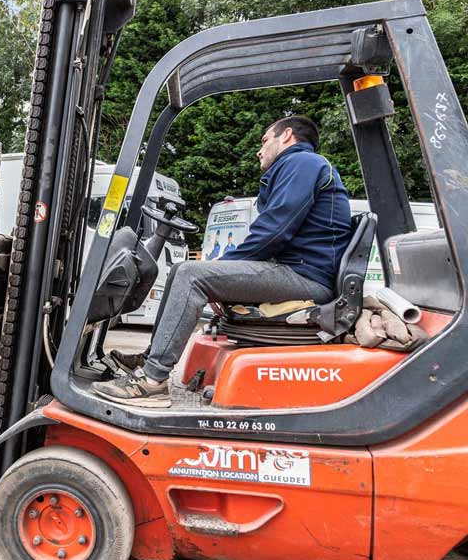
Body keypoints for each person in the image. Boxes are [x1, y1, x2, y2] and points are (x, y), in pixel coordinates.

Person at [93, 115, 352, 407]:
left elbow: (275, 230)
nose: (259, 150)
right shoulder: (299, 167)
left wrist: (224, 271)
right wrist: (224, 274)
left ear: (287, 136)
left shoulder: (303, 163)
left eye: (265, 140)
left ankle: (152, 382)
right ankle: (153, 357)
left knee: (191, 275)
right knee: (181, 269)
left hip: (305, 277)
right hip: (298, 271)